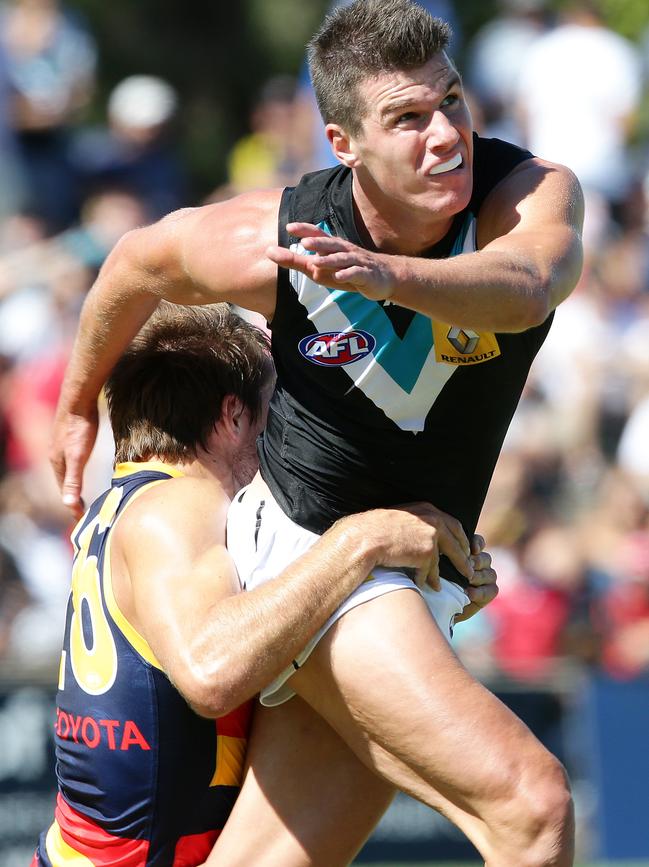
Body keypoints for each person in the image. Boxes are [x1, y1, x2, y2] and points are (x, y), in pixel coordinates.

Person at [51, 1, 584, 863]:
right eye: (406, 119)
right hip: (308, 547)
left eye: (450, 101)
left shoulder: (525, 195)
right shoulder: (281, 239)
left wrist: (386, 276)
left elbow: (525, 286)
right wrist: (78, 404)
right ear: (344, 144)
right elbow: (136, 263)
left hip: (405, 574)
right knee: (533, 805)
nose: (445, 135)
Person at [37, 302, 498, 866]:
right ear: (233, 415)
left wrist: (428, 592)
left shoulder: (135, 501)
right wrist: (363, 540)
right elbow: (211, 673)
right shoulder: (177, 504)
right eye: (278, 408)